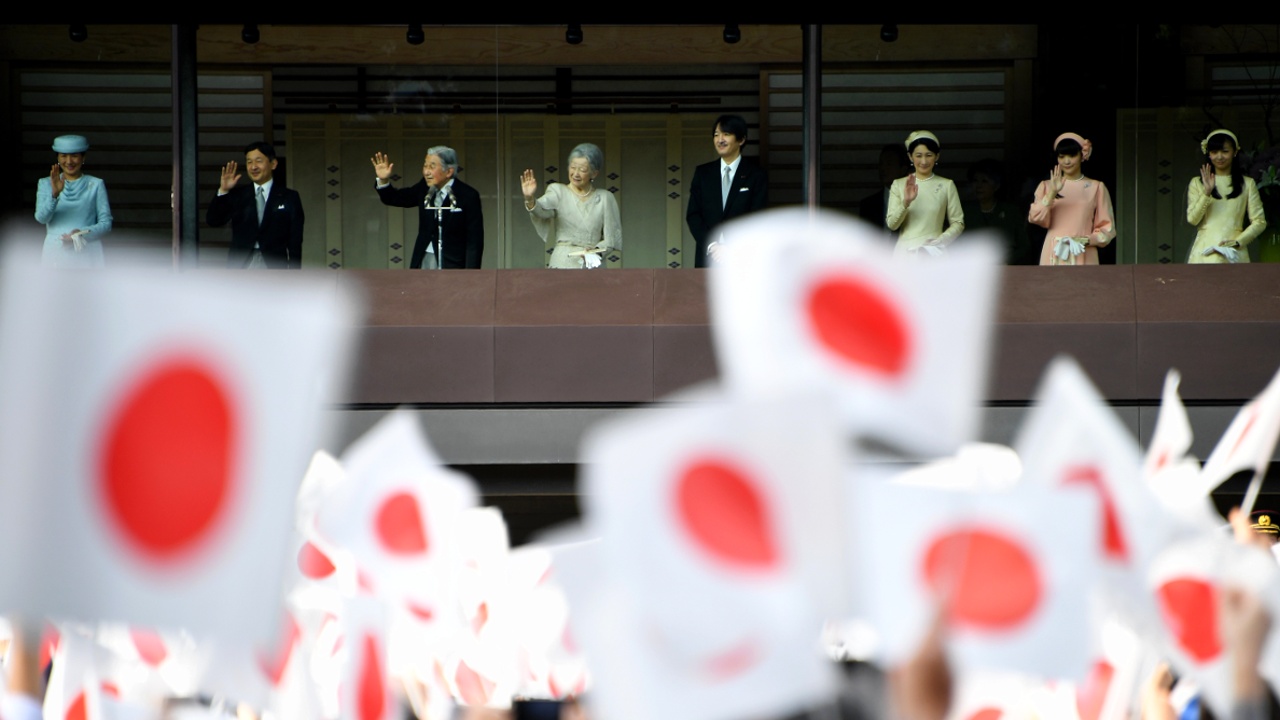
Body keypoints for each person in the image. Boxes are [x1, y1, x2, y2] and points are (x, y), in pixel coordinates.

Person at [372, 147, 483, 269]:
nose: (426, 172)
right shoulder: (425, 188)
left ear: (449, 171)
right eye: (425, 166)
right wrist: (383, 179)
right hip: (424, 258)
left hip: (453, 263)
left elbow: (474, 241)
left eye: (432, 166)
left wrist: (471, 274)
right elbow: (395, 198)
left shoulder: (468, 195)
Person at [519, 143, 621, 269]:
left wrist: (595, 252)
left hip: (591, 265)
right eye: (573, 167)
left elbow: (610, 240)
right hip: (562, 262)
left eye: (582, 170)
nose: (576, 174)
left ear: (594, 174)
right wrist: (529, 198)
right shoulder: (558, 191)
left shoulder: (606, 198)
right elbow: (541, 211)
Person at [685, 114, 769, 267]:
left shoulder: (756, 175)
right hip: (708, 258)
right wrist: (713, 245)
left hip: (743, 260)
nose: (720, 139)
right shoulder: (703, 173)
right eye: (716, 135)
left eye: (726, 134)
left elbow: (757, 218)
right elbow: (693, 215)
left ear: (741, 140)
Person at [207, 142, 304, 269]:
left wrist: (294, 272)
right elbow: (213, 221)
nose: (253, 167)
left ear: (273, 164)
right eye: (249, 162)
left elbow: (295, 239)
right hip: (240, 264)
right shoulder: (238, 195)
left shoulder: (289, 197)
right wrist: (223, 191)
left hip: (274, 263)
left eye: (258, 161)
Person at [1028, 133, 1115, 266]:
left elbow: (1107, 228)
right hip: (1054, 250)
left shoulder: (1096, 187)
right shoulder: (1046, 186)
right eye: (1061, 157)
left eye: (1072, 156)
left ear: (1082, 156)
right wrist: (1052, 193)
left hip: (1082, 250)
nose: (1066, 161)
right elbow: (1035, 218)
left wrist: (1086, 240)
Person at [1186, 129, 1266, 264]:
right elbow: (1193, 219)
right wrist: (1206, 192)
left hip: (1234, 253)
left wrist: (1236, 242)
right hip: (1204, 252)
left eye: (1225, 151)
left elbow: (1259, 221)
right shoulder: (1197, 182)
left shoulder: (1247, 184)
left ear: (1235, 152)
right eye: (1214, 152)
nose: (1219, 157)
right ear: (1208, 154)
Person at [35, 134, 112, 267]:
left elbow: (106, 223)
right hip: (56, 255)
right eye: (63, 156)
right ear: (58, 158)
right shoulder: (46, 183)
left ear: (83, 158)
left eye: (74, 156)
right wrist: (54, 194)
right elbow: (41, 218)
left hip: (87, 256)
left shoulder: (95, 184)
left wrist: (80, 235)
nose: (69, 161)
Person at [886, 130, 964, 256]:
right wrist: (906, 202)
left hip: (934, 253)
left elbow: (958, 222)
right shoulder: (899, 184)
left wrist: (941, 240)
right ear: (910, 157)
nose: (924, 161)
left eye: (929, 155)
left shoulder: (947, 185)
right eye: (918, 155)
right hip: (905, 256)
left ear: (937, 156)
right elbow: (892, 225)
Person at [962, 158, 1033, 264]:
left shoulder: (1010, 211)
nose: (979, 186)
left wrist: (1005, 260)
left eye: (984, 181)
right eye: (975, 181)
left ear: (996, 186)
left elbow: (1024, 246)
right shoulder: (965, 210)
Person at [858, 143, 909, 236]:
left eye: (889, 164)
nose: (883, 168)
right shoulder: (867, 206)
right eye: (881, 163)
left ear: (903, 169)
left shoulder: (916, 203)